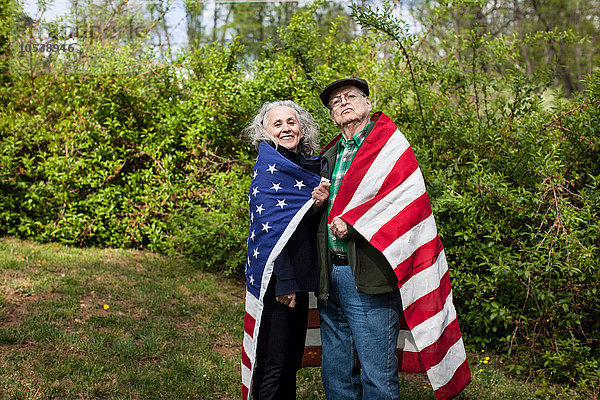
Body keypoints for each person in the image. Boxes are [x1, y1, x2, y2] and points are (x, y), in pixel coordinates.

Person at [315, 78, 471, 400]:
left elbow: (405, 206)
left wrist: (355, 224)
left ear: (368, 104)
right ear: (332, 116)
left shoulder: (391, 149)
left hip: (369, 277)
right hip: (330, 274)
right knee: (336, 368)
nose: (343, 103)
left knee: (377, 373)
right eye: (336, 102)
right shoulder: (327, 156)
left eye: (351, 96)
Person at [242, 100, 330, 400]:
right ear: (265, 133)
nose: (286, 128)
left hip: (299, 279)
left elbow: (299, 227)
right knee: (273, 363)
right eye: (277, 124)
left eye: (291, 122)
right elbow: (270, 234)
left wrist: (316, 204)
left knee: (292, 361)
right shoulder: (270, 170)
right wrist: (285, 283)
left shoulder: (302, 168)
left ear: (302, 128)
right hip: (279, 282)